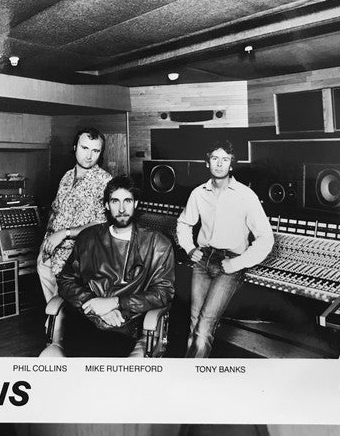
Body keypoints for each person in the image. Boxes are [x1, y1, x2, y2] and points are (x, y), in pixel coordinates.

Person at [53, 175, 175, 357]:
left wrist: (116, 303)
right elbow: (65, 280)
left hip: (125, 324)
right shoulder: (88, 238)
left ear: (136, 204)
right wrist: (93, 304)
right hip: (86, 319)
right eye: (115, 201)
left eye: (127, 201)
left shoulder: (157, 244)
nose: (122, 209)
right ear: (107, 205)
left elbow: (163, 292)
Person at [176, 140, 274, 358]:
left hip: (229, 264)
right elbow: (183, 223)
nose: (219, 164)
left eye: (225, 159)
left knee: (203, 328)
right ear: (207, 163)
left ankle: (191, 374)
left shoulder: (245, 195)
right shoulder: (198, 193)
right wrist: (190, 249)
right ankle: (188, 373)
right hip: (203, 260)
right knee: (194, 323)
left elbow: (266, 238)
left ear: (231, 164)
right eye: (214, 158)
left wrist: (237, 263)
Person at [36, 127, 112, 302]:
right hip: (49, 254)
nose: (89, 156)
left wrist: (64, 233)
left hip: (76, 261)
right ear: (75, 147)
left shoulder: (105, 181)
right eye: (84, 148)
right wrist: (45, 242)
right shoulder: (67, 176)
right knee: (52, 309)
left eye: (95, 151)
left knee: (66, 310)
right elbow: (56, 210)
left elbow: (102, 224)